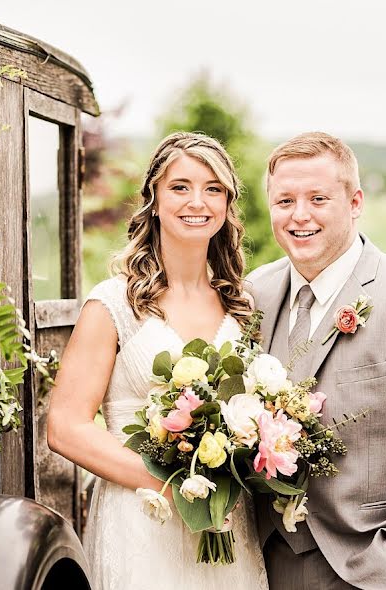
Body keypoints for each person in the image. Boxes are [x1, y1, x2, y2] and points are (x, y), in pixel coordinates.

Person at [247, 132, 386, 590]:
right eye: (285, 200)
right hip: (260, 560)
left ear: (354, 202)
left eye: (318, 198)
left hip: (369, 566)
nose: (300, 215)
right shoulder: (255, 293)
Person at [47, 132, 269, 589]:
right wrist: (171, 482)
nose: (198, 201)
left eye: (213, 189)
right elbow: (65, 427)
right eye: (180, 186)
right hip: (143, 520)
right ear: (153, 199)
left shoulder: (242, 305)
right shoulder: (113, 304)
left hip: (227, 525)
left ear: (227, 203)